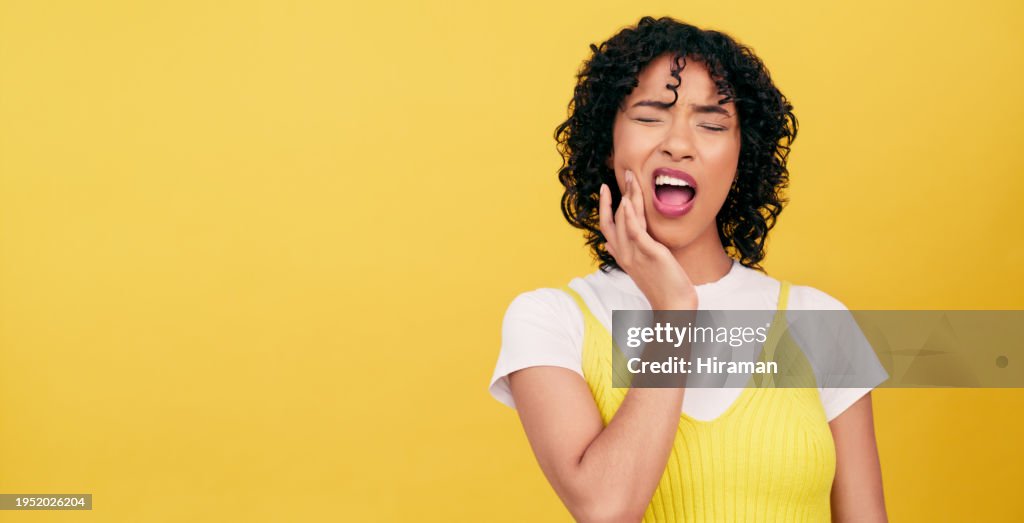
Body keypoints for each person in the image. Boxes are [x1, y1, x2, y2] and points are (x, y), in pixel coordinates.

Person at [488, 16, 889, 523]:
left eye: (712, 124)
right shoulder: (551, 320)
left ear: (742, 155)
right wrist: (674, 310)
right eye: (651, 116)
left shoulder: (818, 320)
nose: (679, 143)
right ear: (608, 145)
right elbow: (606, 508)